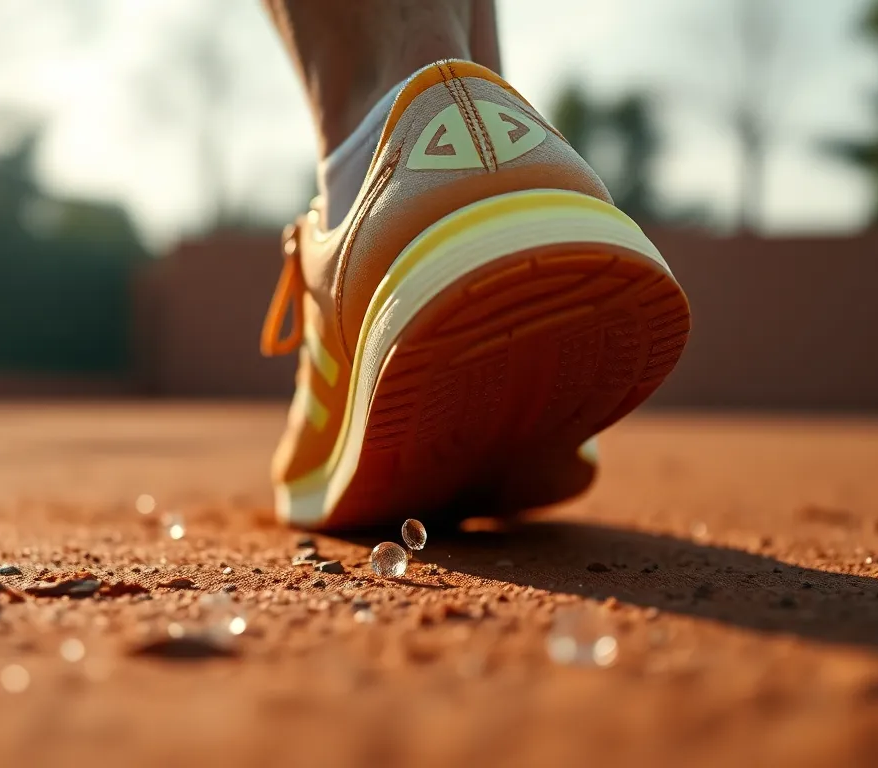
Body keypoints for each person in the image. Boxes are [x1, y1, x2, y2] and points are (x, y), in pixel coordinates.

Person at [257, 0, 690, 529]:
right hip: (519, 148)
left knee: (381, 81)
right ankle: (491, 144)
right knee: (443, 54)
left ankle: (374, 151)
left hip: (393, 204)